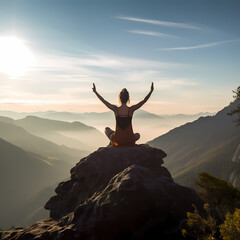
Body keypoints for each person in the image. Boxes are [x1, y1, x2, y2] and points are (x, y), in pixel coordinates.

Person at [92, 82, 154, 146]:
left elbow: (104, 101)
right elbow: (144, 101)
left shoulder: (115, 109)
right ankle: (116, 142)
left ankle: (112, 144)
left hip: (117, 140)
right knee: (138, 135)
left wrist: (95, 92)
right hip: (130, 140)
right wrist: (151, 91)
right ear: (128, 98)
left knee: (106, 129)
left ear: (120, 98)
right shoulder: (131, 110)